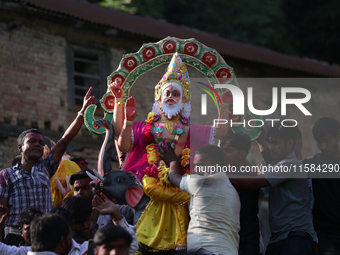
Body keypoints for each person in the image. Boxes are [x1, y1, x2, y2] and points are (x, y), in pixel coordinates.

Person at [109, 53, 231, 252]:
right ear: (159, 97)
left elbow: (221, 132)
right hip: (148, 185)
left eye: (176, 94)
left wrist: (224, 106)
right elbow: (122, 144)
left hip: (178, 182)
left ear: (184, 100)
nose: (171, 97)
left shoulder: (188, 129)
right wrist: (120, 103)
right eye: (168, 93)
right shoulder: (144, 126)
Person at [0, 87, 95, 246]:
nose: (38, 145)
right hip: (15, 236)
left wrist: (82, 111)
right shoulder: (6, 175)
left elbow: (65, 140)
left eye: (40, 142)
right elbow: (1, 210)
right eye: (32, 141)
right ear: (20, 148)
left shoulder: (46, 167)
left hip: (45, 234)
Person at [229, 122, 317, 255]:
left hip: (296, 240)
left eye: (276, 143)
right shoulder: (278, 168)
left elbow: (253, 183)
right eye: (269, 143)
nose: (271, 147)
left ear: (289, 143)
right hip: (278, 239)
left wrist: (221, 174)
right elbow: (256, 184)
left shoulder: (291, 165)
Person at [160, 144, 240, 255]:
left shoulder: (204, 181)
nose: (197, 170)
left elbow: (174, 178)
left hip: (207, 249)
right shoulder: (232, 191)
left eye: (201, 165)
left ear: (218, 165)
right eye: (195, 166)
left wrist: (173, 161)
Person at [303, 117, 340, 254]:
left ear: (338, 136)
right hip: (325, 235)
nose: (323, 146)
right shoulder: (313, 163)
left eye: (327, 141)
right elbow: (281, 168)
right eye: (319, 142)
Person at [220, 133, 260, 255]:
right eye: (221, 151)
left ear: (242, 154)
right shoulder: (215, 178)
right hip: (221, 243)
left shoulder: (247, 182)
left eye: (228, 151)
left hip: (244, 243)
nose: (223, 155)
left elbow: (236, 215)